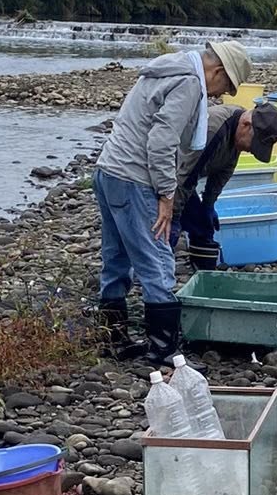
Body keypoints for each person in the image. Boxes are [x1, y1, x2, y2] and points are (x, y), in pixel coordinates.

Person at [94, 39, 254, 364]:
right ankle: (163, 349)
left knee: (117, 255)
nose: (219, 95)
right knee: (157, 257)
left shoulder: (169, 65)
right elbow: (162, 140)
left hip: (108, 169)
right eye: (225, 85)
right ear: (218, 71)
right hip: (134, 177)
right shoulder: (189, 83)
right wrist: (167, 195)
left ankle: (112, 338)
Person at [174, 98, 277, 270]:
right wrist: (173, 214)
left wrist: (209, 204)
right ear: (247, 125)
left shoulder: (238, 131)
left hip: (184, 178)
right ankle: (155, 275)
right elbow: (185, 177)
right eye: (254, 144)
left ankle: (203, 271)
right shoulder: (213, 129)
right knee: (166, 226)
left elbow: (225, 169)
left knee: (204, 225)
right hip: (164, 174)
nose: (251, 150)